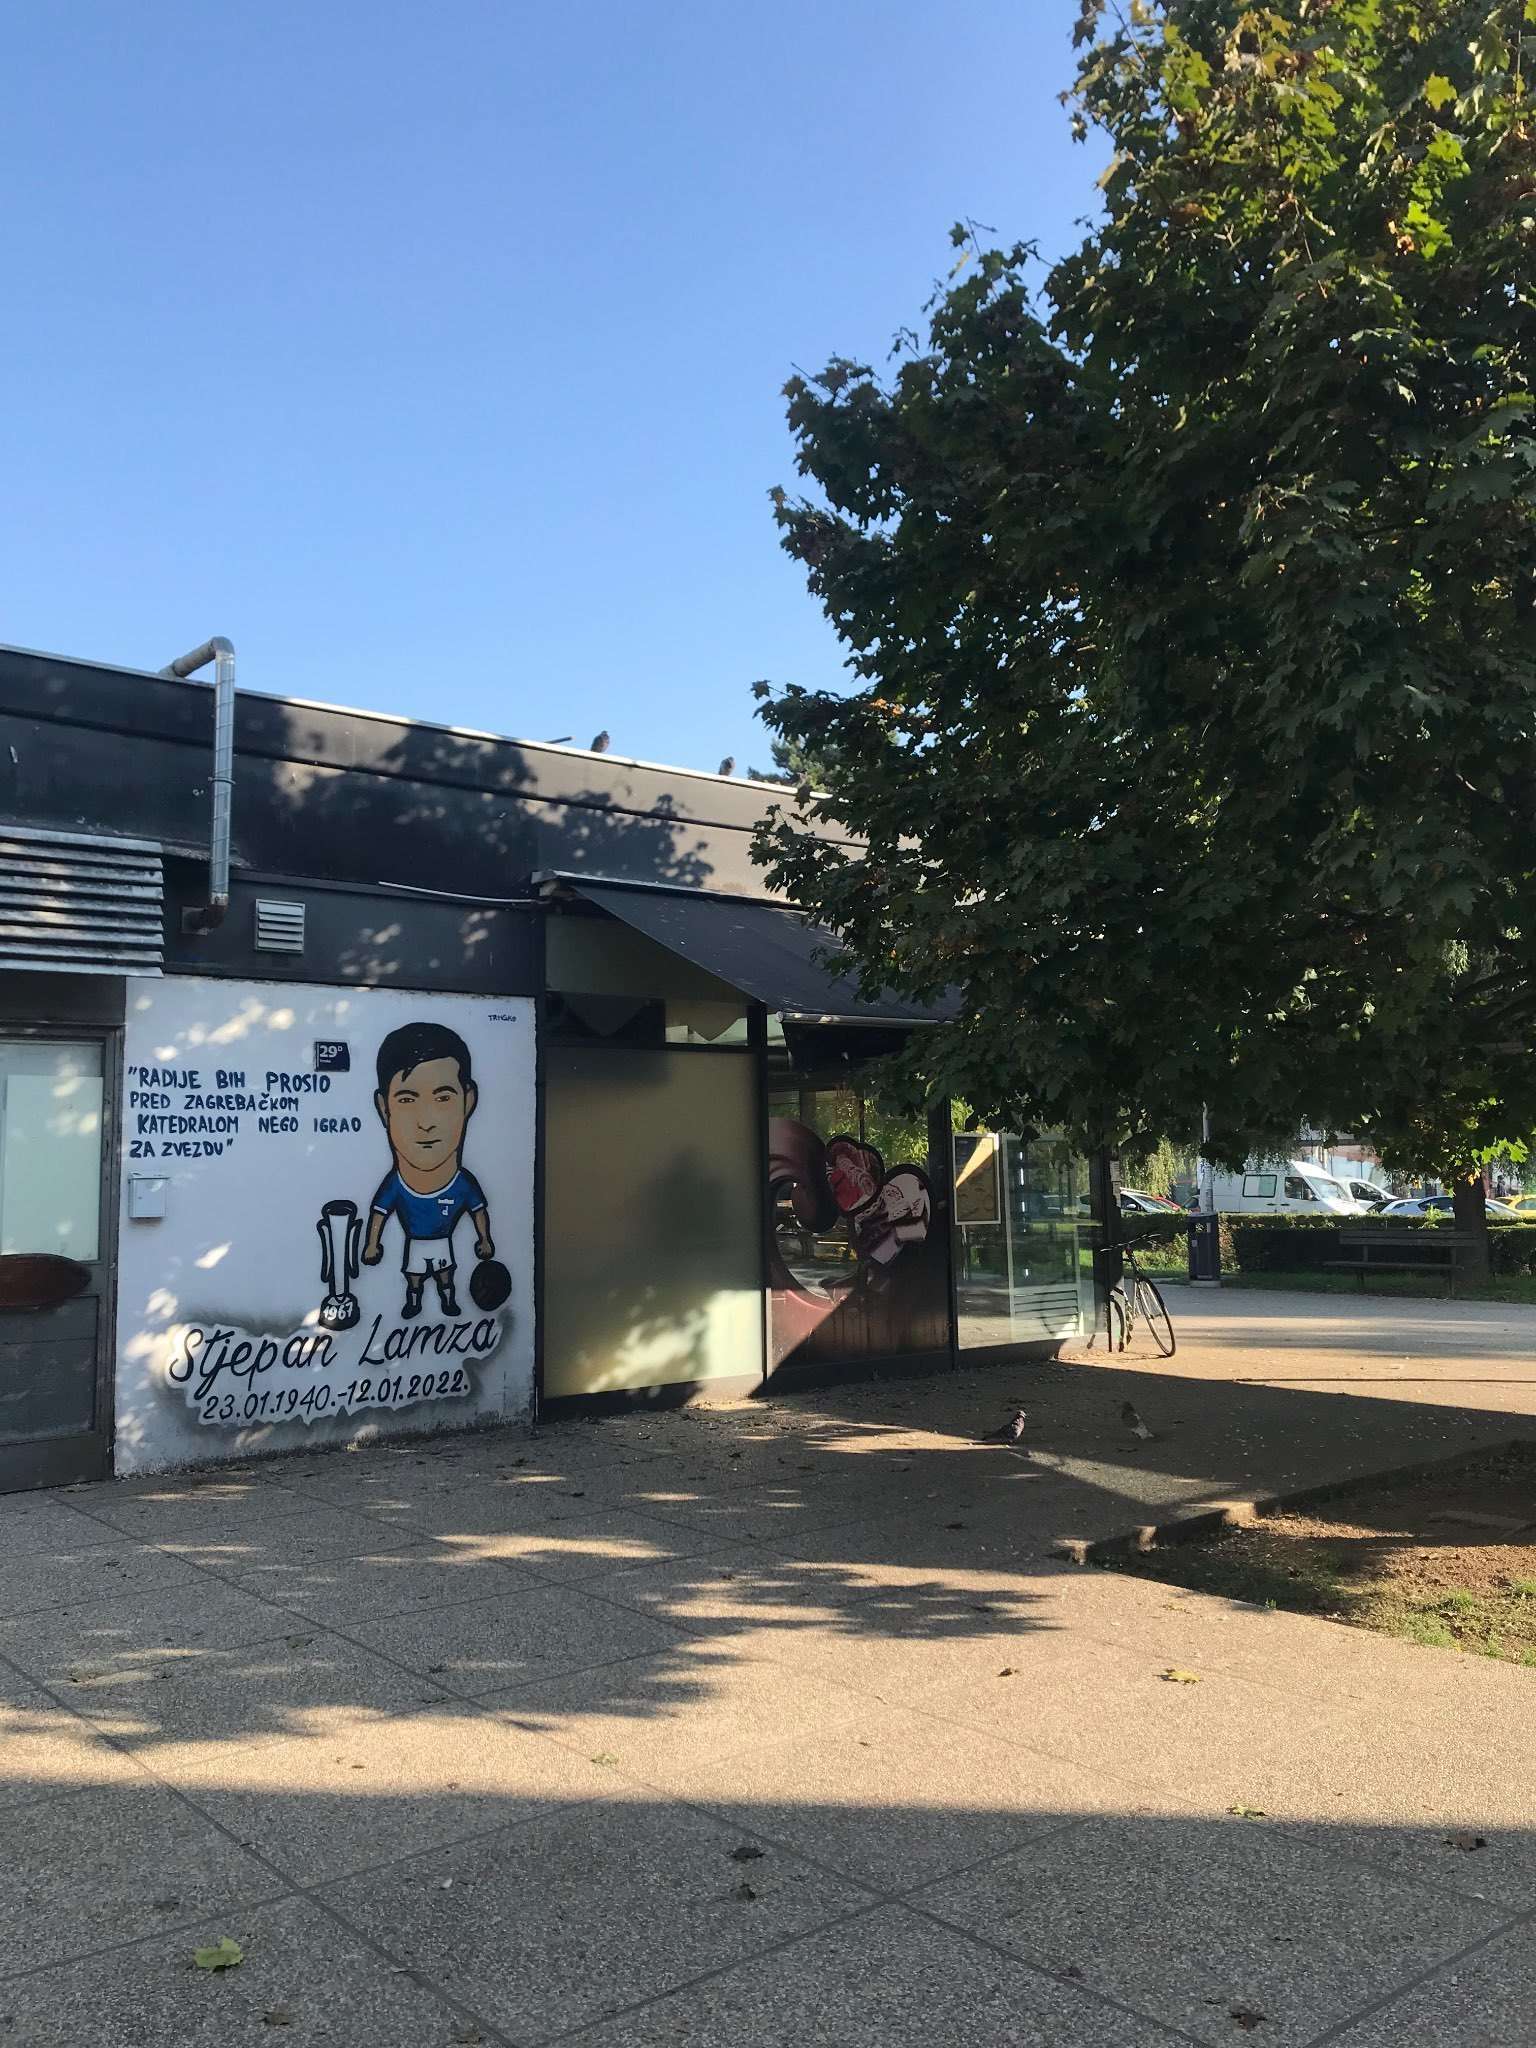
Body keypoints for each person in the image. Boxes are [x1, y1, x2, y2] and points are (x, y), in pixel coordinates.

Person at [361, 1021, 495, 1318]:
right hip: (416, 1245)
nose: (426, 1122)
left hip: (442, 1244)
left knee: (446, 1275)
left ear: (468, 1101)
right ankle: (414, 1302)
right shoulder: (394, 1186)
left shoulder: (463, 1184)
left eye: (443, 1098)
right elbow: (379, 1215)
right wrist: (372, 1245)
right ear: (384, 1108)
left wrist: (485, 1239)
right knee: (414, 1277)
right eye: (407, 1100)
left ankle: (447, 1301)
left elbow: (479, 1212)